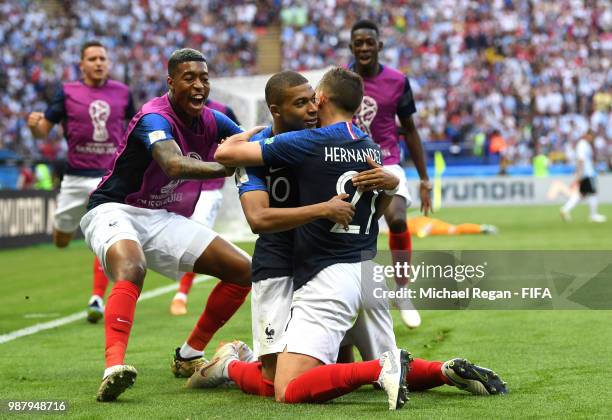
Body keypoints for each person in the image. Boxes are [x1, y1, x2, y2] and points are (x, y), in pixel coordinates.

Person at [200, 68, 508, 409]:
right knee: (343, 366)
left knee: (284, 386)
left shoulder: (308, 141)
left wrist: (244, 139)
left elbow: (228, 161)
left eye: (312, 98)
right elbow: (375, 212)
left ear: (324, 99)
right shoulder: (370, 148)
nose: (310, 106)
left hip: (323, 272)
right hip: (361, 268)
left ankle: (229, 365)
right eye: (300, 102)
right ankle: (444, 371)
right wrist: (390, 186)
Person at [79, 48, 252, 402]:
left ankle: (189, 355)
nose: (199, 85)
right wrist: (226, 167)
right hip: (115, 208)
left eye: (204, 78)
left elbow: (252, 143)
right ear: (171, 83)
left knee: (244, 270)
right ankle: (114, 367)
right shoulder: (153, 118)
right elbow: (173, 164)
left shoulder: (213, 119)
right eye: (189, 78)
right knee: (132, 267)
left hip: (161, 217)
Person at [27, 41, 135, 324]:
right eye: (92, 58)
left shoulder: (123, 93)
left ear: (108, 62)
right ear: (82, 63)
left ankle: (97, 297)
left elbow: (135, 127)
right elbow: (42, 132)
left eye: (103, 58)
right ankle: (65, 230)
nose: (99, 62)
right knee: (61, 239)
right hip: (75, 177)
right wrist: (34, 125)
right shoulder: (67, 92)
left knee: (107, 235)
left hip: (109, 177)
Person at [349, 19, 432, 328]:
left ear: (379, 45)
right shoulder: (341, 80)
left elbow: (409, 130)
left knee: (397, 218)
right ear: (352, 47)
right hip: (348, 163)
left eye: (370, 42)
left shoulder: (398, 81)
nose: (365, 47)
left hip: (387, 162)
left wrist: (424, 179)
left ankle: (402, 290)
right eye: (359, 43)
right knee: (351, 234)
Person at [169, 99, 242, 316]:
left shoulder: (222, 111)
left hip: (208, 188)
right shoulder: (165, 112)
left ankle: (181, 294)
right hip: (175, 185)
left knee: (196, 239)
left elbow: (238, 140)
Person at [560, 130, 607, 223]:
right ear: (587, 135)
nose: (592, 138)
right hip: (587, 173)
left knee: (582, 194)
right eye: (591, 136)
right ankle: (593, 215)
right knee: (593, 193)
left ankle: (565, 209)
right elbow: (581, 160)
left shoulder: (584, 145)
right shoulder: (583, 145)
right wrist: (579, 175)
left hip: (586, 173)